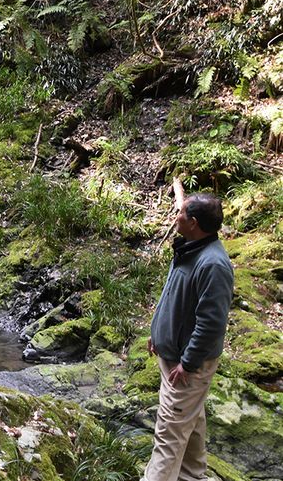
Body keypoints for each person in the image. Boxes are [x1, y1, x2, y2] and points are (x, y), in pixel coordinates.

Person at [141, 177, 234, 481]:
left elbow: (212, 323)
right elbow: (174, 296)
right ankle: (193, 477)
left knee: (168, 435)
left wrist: (188, 363)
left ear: (192, 222)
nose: (175, 215)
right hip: (174, 354)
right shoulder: (190, 247)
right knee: (189, 426)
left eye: (180, 213)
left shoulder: (213, 265)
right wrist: (159, 333)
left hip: (187, 365)